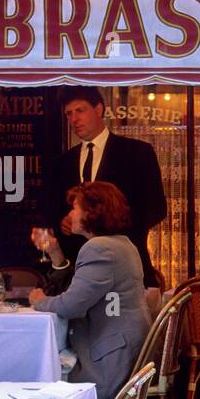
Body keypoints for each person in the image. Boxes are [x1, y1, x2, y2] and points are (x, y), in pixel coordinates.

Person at [29, 182, 150, 399]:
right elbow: (79, 291)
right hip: (124, 351)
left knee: (38, 380)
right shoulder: (122, 244)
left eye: (75, 208)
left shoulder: (99, 248)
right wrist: (55, 252)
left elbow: (71, 305)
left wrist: (39, 301)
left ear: (91, 213)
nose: (69, 215)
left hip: (109, 361)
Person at [42, 88, 167, 288]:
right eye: (69, 113)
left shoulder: (137, 153)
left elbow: (156, 209)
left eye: (80, 110)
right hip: (77, 275)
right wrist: (64, 222)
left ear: (98, 109)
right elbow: (52, 212)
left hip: (126, 272)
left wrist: (104, 225)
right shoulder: (61, 164)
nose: (74, 118)